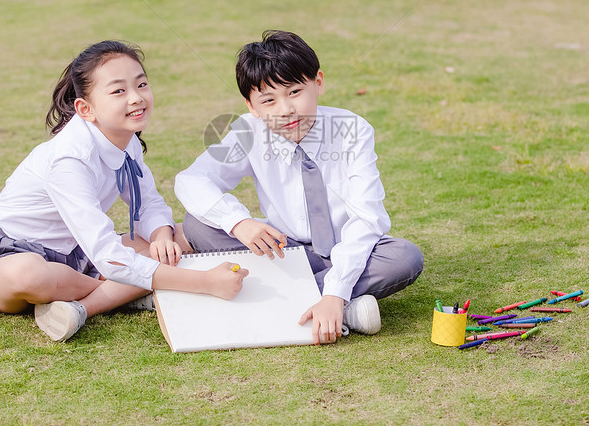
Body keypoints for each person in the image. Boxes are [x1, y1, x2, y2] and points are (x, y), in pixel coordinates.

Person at [0, 40, 248, 341]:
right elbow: (107, 255)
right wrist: (204, 282)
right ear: (85, 109)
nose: (136, 98)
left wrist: (159, 235)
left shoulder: (125, 137)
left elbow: (147, 201)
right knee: (30, 275)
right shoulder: (69, 160)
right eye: (118, 91)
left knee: (182, 238)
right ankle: (126, 292)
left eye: (141, 85)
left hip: (79, 253)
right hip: (12, 254)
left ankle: (96, 300)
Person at [175, 30, 423, 345]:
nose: (286, 109)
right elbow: (191, 179)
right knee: (197, 223)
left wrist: (335, 291)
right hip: (282, 250)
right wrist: (239, 222)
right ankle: (336, 308)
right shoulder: (247, 131)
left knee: (404, 257)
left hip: (343, 251)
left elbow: (367, 218)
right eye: (268, 100)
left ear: (318, 83)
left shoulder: (352, 130)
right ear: (252, 107)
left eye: (294, 92)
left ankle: (300, 302)